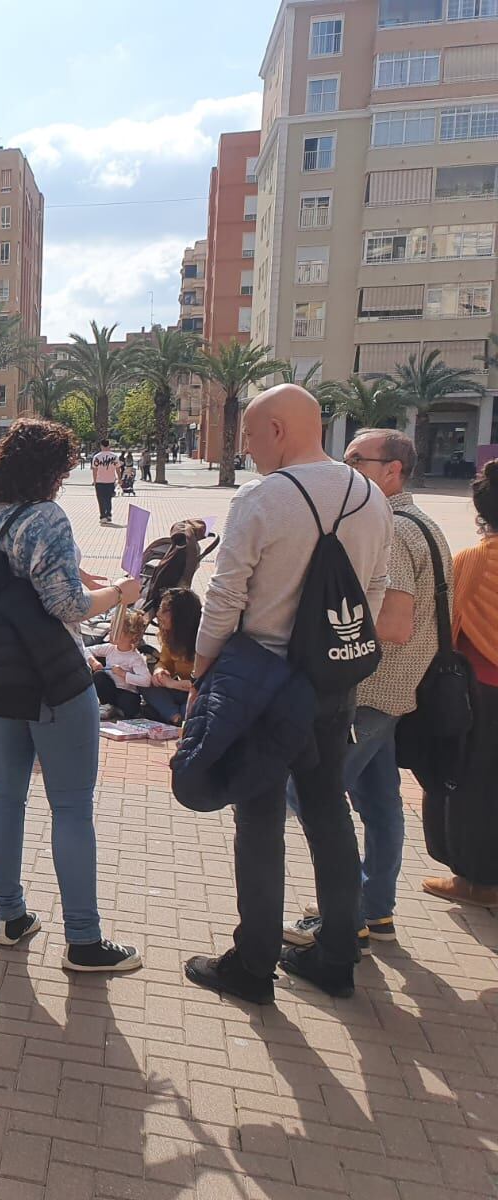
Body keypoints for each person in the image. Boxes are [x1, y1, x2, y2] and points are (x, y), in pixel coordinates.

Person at [184, 385, 391, 1005]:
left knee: (259, 820)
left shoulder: (263, 498)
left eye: (249, 435)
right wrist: (338, 660)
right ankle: (337, 957)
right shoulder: (371, 496)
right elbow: (374, 590)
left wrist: (201, 674)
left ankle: (253, 966)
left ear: (277, 429)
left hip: (263, 686)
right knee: (329, 813)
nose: (247, 449)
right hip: (330, 686)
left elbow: (226, 596)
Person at [0, 418, 144, 972]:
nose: (65, 480)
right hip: (50, 675)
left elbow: (4, 576)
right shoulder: (47, 516)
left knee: (3, 793)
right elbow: (67, 607)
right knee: (70, 807)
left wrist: (77, 574)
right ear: (49, 471)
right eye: (63, 470)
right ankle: (84, 940)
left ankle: (10, 916)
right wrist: (120, 592)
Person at [281, 429, 452, 951]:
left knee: (312, 795)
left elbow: (394, 624)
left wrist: (324, 632)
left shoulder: (393, 528)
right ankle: (375, 907)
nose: (346, 466)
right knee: (379, 802)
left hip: (372, 690)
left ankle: (346, 913)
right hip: (397, 690)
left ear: (392, 471)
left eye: (357, 460)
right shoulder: (424, 524)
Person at [420, 462, 498, 907]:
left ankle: (477, 882)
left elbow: (445, 628)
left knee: (470, 786)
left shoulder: (477, 560)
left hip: (483, 693)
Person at [142, 588, 199, 725]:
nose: (158, 614)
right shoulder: (171, 635)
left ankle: (171, 714)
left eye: (164, 610)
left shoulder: (202, 642)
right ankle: (174, 716)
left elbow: (202, 683)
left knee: (194, 707)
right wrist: (159, 671)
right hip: (178, 690)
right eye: (160, 608)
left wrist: (172, 683)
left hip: (196, 693)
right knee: (144, 681)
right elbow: (165, 662)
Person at [88, 609, 150, 720]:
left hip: (126, 692)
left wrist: (124, 674)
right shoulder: (110, 648)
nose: (110, 633)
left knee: (130, 703)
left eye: (114, 631)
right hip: (110, 689)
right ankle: (108, 705)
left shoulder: (135, 657)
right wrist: (94, 662)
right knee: (99, 676)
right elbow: (86, 650)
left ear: (129, 635)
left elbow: (146, 680)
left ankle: (119, 710)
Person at [91, 439, 121, 524]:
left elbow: (95, 470)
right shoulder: (114, 456)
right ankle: (108, 514)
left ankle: (103, 516)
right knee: (108, 498)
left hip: (99, 481)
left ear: (101, 446)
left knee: (101, 499)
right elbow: (118, 468)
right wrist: (119, 478)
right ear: (109, 445)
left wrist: (94, 480)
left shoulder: (97, 457)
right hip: (111, 481)